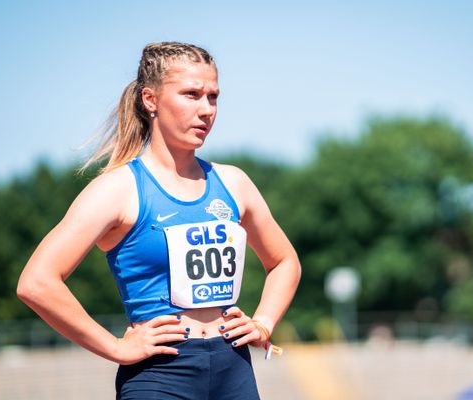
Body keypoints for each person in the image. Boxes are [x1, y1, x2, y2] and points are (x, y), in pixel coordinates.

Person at [16, 41, 301, 399]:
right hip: (161, 375)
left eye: (213, 97)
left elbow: (284, 261)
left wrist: (263, 322)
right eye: (191, 94)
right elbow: (36, 282)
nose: (206, 110)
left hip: (234, 369)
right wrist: (115, 347)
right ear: (150, 100)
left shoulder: (234, 183)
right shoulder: (118, 189)